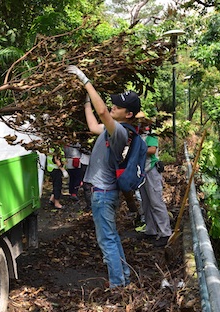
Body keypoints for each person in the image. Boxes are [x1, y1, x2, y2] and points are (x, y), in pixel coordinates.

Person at [66, 65, 143, 288]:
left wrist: (84, 79)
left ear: (128, 114)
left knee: (107, 240)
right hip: (105, 193)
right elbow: (92, 126)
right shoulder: (114, 128)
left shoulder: (119, 131)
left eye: (117, 106)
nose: (112, 107)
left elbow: (102, 114)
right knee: (111, 237)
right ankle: (124, 277)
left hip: (103, 193)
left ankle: (118, 285)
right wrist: (86, 102)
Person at [137, 122, 172, 247]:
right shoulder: (137, 136)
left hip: (151, 170)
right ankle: (150, 230)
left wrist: (137, 150)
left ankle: (165, 232)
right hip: (141, 172)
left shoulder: (151, 136)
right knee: (145, 202)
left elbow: (152, 150)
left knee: (156, 202)